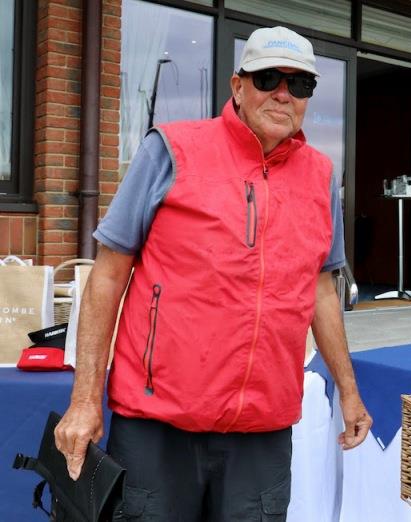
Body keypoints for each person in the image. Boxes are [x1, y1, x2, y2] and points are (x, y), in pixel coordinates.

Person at [54, 26, 372, 520]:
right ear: (238, 86)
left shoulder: (321, 176)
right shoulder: (172, 150)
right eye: (268, 78)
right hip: (158, 426)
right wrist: (84, 400)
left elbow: (321, 290)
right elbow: (108, 276)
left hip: (262, 431)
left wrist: (349, 392)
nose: (283, 94)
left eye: (300, 84)